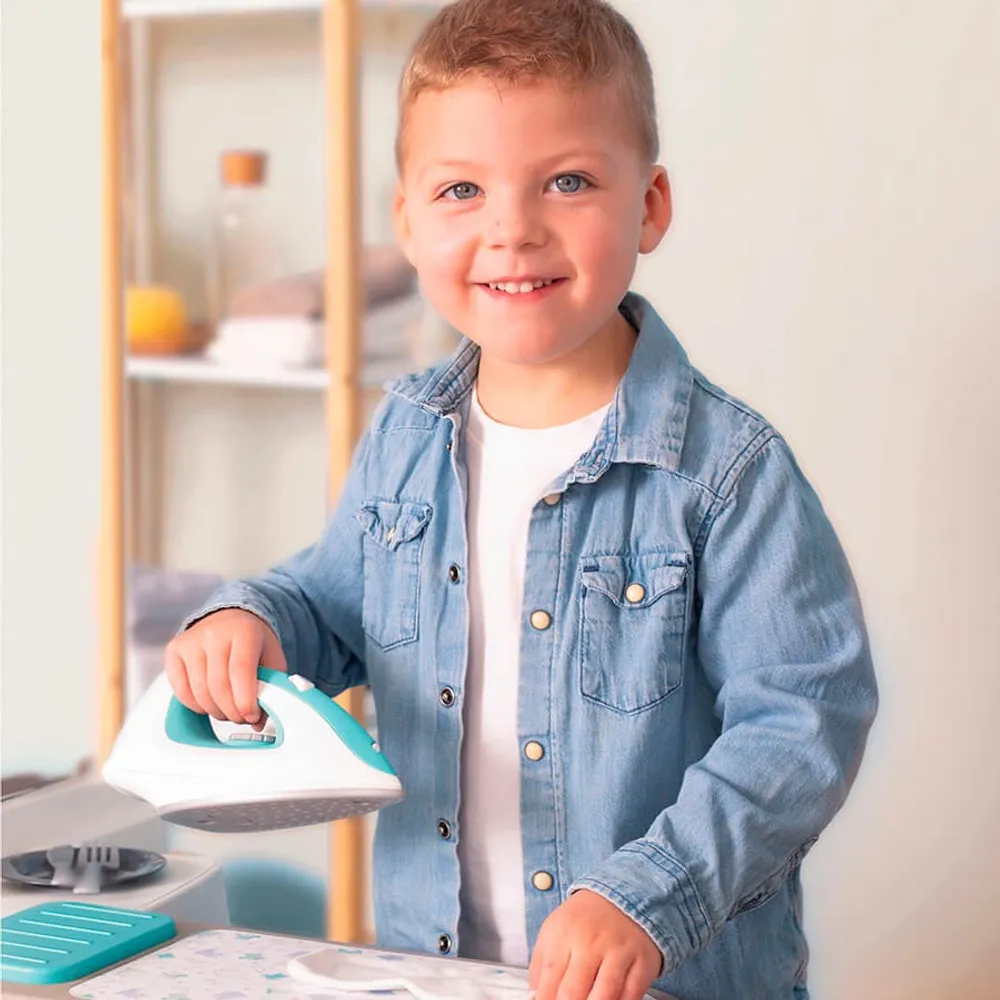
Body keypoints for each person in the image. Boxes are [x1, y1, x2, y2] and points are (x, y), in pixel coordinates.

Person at [166, 1, 878, 997]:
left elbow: (802, 719)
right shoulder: (409, 433)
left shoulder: (726, 471)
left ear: (650, 205)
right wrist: (251, 619)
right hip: (433, 970)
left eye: (568, 181)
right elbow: (332, 604)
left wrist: (649, 892)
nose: (511, 228)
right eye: (461, 189)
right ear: (406, 221)